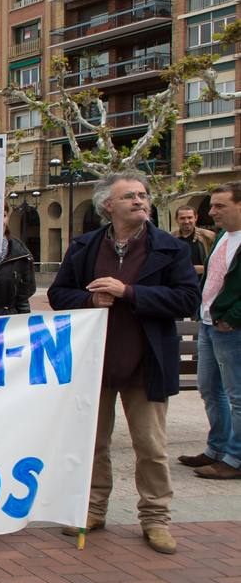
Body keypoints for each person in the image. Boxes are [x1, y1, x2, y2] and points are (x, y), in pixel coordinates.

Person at [49, 172, 199, 554]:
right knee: (92, 443)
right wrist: (89, 301)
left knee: (150, 447)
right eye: (129, 196)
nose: (140, 200)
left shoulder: (169, 248)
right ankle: (93, 509)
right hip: (94, 364)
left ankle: (156, 519)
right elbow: (57, 294)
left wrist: (129, 292)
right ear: (107, 206)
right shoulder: (84, 246)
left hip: (145, 362)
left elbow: (186, 299)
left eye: (143, 195)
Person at [179, 182, 241, 480]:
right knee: (209, 389)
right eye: (212, 205)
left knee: (236, 395)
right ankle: (217, 449)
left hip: (231, 328)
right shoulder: (221, 238)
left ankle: (236, 458)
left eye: (220, 206)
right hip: (206, 323)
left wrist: (232, 317)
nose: (212, 211)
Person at [173, 203, 215, 283]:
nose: (186, 221)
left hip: (203, 283)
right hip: (179, 284)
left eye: (189, 217)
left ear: (196, 218)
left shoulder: (209, 236)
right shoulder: (171, 238)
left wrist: (204, 268)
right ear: (176, 219)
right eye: (182, 218)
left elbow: (219, 262)